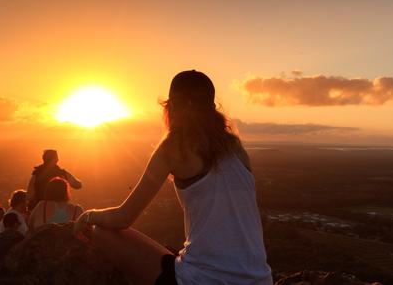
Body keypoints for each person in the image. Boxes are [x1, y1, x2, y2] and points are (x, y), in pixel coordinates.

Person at [73, 70, 272, 285]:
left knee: (102, 233)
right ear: (212, 108)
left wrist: (89, 216)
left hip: (202, 281)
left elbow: (123, 217)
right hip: (260, 280)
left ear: (171, 107)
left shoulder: (173, 147)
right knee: (174, 255)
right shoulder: (235, 147)